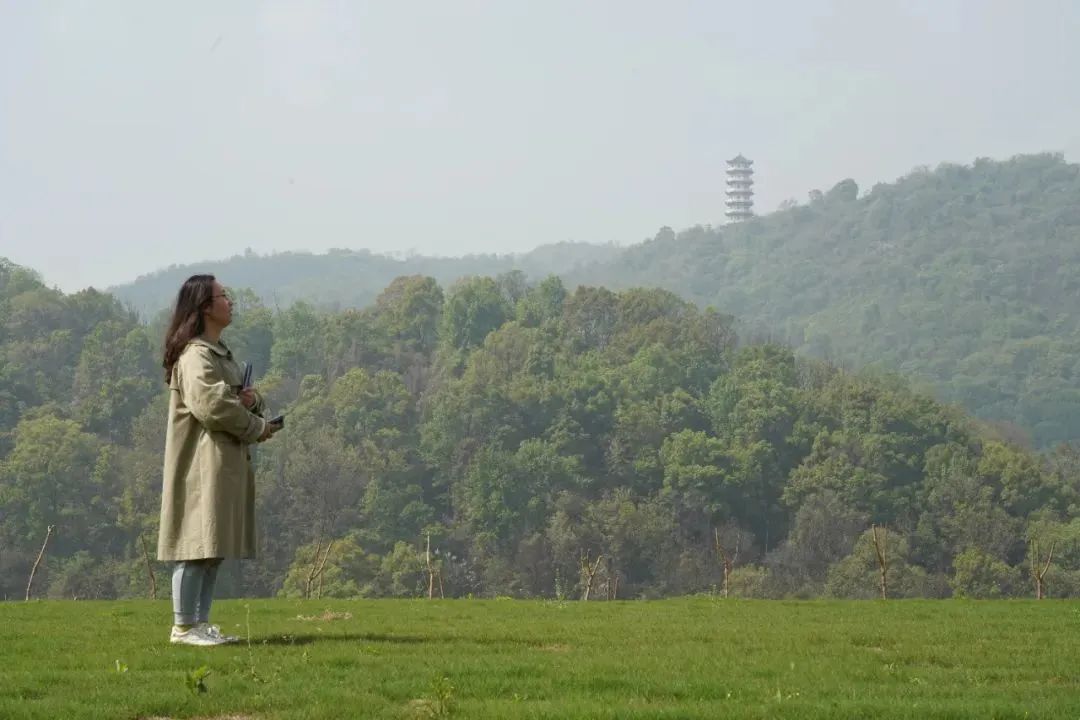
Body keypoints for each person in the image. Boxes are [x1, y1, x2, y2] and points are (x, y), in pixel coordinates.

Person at [157, 274, 277, 646]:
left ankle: (200, 623)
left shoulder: (217, 352)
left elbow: (233, 398)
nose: (230, 302)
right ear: (205, 307)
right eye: (223, 296)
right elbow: (212, 406)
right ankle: (183, 627)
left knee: (212, 547)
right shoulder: (195, 356)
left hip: (221, 463)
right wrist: (256, 427)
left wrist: (252, 400)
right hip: (200, 467)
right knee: (194, 546)